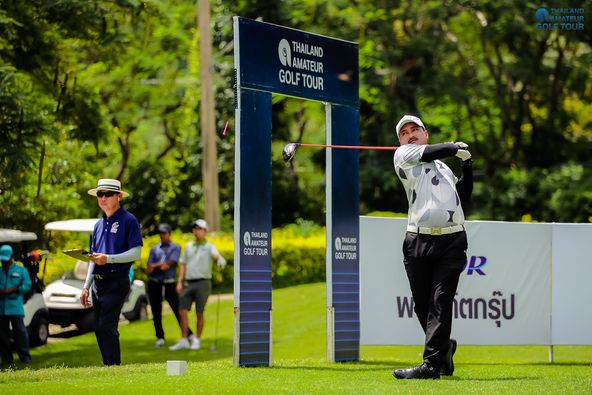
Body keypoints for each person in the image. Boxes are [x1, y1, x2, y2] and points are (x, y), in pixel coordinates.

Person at [391, 115, 473, 380]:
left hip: (452, 241)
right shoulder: (404, 156)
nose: (411, 134)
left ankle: (431, 366)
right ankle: (444, 348)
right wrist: (453, 147)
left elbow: (463, 197)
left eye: (416, 129)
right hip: (418, 241)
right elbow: (438, 150)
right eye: (405, 132)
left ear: (426, 133)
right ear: (401, 141)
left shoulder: (443, 167)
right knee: (422, 306)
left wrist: (466, 164)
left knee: (440, 301)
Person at [81, 178, 143, 365]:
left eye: (108, 194)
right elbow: (94, 258)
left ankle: (113, 366)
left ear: (118, 196)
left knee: (107, 325)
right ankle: (109, 365)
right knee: (98, 327)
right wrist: (86, 286)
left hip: (117, 280)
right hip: (98, 282)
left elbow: (136, 252)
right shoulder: (98, 225)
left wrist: (108, 258)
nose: (103, 198)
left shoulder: (129, 220)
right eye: (100, 194)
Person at [169, 219, 226, 351]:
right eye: (195, 229)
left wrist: (220, 259)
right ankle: (184, 339)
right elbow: (183, 264)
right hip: (188, 283)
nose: (197, 231)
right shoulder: (189, 246)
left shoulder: (210, 246)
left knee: (199, 312)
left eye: (200, 229)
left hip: (203, 283)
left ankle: (197, 340)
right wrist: (179, 282)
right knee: (182, 311)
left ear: (205, 231)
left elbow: (216, 255)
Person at [146, 223, 192, 348]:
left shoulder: (175, 247)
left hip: (169, 283)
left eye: (164, 233)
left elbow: (169, 264)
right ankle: (159, 337)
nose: (162, 236)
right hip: (154, 283)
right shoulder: (154, 249)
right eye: (160, 233)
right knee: (156, 312)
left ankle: (188, 333)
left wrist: (155, 265)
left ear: (169, 234)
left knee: (178, 309)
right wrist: (158, 266)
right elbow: (148, 269)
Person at [0, 244, 32, 366]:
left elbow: (27, 285)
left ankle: (25, 359)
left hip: (15, 307)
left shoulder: (21, 270)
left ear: (11, 257)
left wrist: (15, 289)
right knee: (2, 336)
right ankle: (6, 360)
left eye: (6, 259)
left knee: (20, 333)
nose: (4, 262)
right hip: (1, 308)